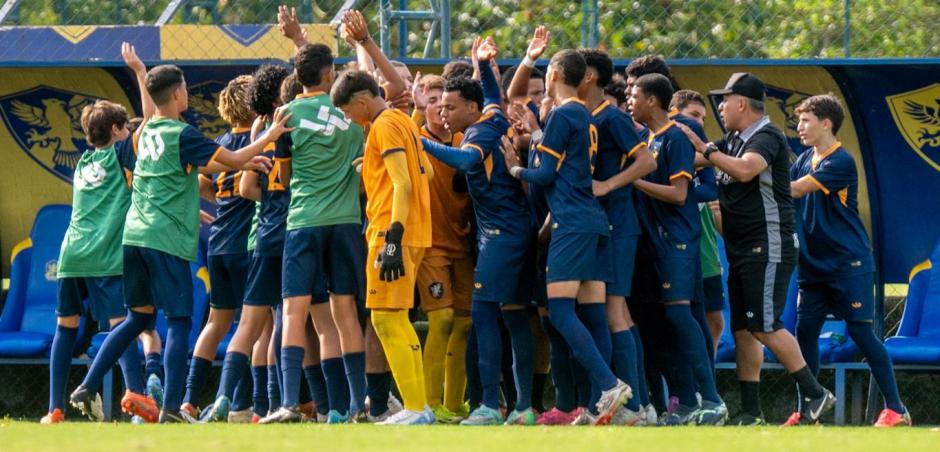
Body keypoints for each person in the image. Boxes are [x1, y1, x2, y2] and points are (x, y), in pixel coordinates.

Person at [69, 60, 291, 423]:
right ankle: (173, 408)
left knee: (136, 319)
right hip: (166, 239)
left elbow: (165, 175)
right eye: (185, 87)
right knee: (179, 322)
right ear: (176, 93)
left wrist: (189, 206)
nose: (187, 92)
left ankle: (88, 385)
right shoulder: (183, 135)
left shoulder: (141, 134)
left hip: (135, 237)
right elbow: (233, 160)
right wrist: (268, 138)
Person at [677, 72, 835, 426]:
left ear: (742, 103)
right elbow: (693, 163)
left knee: (765, 324)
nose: (720, 106)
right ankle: (751, 411)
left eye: (724, 100)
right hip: (742, 249)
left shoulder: (767, 136)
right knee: (744, 330)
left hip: (769, 245)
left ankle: (815, 393)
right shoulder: (731, 141)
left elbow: (746, 171)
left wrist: (705, 149)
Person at [504, 48, 631, 426]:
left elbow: (544, 176)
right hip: (593, 221)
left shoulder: (563, 114)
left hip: (572, 223)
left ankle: (609, 386)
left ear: (556, 74)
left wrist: (514, 169)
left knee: (559, 310)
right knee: (593, 314)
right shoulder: (587, 116)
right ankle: (600, 406)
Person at [420, 39, 537, 426]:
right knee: (517, 317)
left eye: (450, 107)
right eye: (439, 106)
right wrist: (483, 64)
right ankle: (522, 408)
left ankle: (487, 405)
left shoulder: (478, 134)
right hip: (514, 230)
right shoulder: (490, 113)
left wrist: (418, 142)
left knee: (484, 314)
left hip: (502, 235)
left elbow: (465, 160)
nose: (443, 112)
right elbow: (489, 92)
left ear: (469, 109)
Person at [45, 45, 159, 425]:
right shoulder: (118, 155)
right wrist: (140, 72)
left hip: (72, 254)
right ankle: (138, 402)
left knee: (65, 328)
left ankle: (54, 410)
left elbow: (138, 127)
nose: (131, 131)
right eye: (125, 127)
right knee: (120, 327)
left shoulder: (85, 161)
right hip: (105, 257)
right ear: (115, 131)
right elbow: (154, 123)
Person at [332, 17, 436, 424]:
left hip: (392, 232)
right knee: (392, 319)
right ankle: (417, 405)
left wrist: (392, 237)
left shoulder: (384, 126)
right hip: (410, 231)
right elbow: (417, 173)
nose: (353, 120)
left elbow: (404, 184)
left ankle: (415, 407)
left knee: (387, 319)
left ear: (360, 102)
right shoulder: (403, 122)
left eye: (349, 112)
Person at [789, 94, 910, 427]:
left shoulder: (841, 161)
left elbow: (794, 190)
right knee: (805, 334)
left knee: (862, 334)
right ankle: (807, 412)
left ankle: (896, 409)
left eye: (806, 120)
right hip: (812, 266)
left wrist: (750, 178)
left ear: (826, 123)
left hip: (848, 263)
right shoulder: (802, 159)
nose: (799, 127)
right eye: (799, 121)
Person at [630, 74, 727, 425]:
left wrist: (632, 181)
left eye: (634, 94)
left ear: (652, 101)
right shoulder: (649, 138)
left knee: (680, 315)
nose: (629, 99)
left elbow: (680, 194)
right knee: (666, 322)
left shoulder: (674, 137)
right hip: (657, 241)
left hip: (678, 240)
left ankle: (711, 397)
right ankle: (687, 401)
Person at [580, 48, 657, 426]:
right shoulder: (583, 117)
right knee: (608, 312)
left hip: (619, 224)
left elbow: (647, 161)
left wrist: (607, 185)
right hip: (599, 225)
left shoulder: (612, 117)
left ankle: (637, 404)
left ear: (589, 77)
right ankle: (626, 403)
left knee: (615, 311)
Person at [190, 75, 260, 423]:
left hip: (218, 242)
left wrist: (222, 199)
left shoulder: (222, 141)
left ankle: (189, 400)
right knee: (255, 325)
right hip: (247, 242)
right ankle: (243, 403)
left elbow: (202, 183)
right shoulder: (259, 140)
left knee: (217, 324)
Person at [412, 73, 475, 423]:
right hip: (430, 245)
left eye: (444, 102)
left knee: (464, 323)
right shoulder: (415, 137)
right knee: (442, 318)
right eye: (432, 101)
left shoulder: (466, 141)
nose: (439, 108)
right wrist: (414, 111)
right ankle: (429, 404)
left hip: (462, 244)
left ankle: (454, 405)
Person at [670, 90, 725, 358]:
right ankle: (682, 390)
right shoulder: (660, 145)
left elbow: (711, 192)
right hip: (675, 246)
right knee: (680, 319)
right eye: (693, 115)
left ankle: (707, 385)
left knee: (715, 321)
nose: (699, 123)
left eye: (703, 118)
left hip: (705, 248)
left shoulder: (707, 155)